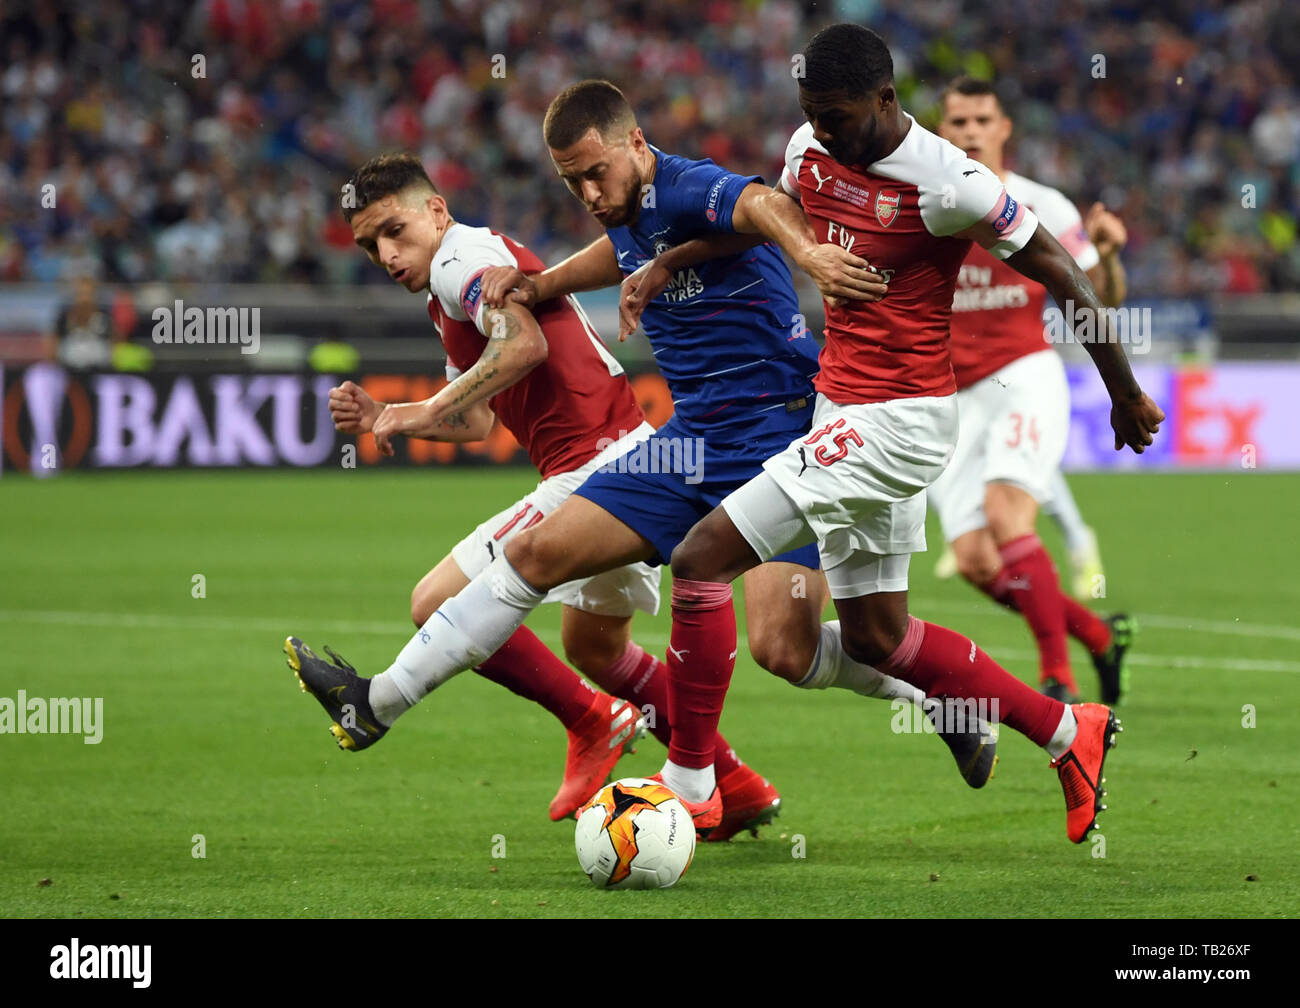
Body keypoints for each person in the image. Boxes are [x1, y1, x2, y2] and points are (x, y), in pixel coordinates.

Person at [286, 81, 998, 842]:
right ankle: (744, 768)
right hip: (692, 439)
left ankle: (604, 742)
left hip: (774, 434)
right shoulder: (620, 216)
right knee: (749, 647)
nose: (588, 192)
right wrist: (546, 284)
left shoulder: (472, 257)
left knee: (746, 624)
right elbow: (506, 390)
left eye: (392, 231)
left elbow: (758, 204)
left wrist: (811, 255)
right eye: (571, 181)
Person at [626, 24, 1163, 845]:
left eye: (839, 115)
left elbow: (1062, 269)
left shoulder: (951, 183)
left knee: (701, 558)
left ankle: (691, 786)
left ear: (885, 100)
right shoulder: (810, 146)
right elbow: (768, 219)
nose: (826, 130)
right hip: (840, 408)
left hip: (901, 420)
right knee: (879, 638)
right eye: (814, 114)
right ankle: (1069, 731)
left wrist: (1123, 392)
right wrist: (669, 262)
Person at [290, 151, 669, 822]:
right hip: (617, 460)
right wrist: (386, 416)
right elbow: (478, 419)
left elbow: (524, 347)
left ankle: (590, 721)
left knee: (435, 598)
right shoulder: (451, 287)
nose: (385, 252)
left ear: (437, 210)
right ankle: (730, 782)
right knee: (595, 649)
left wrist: (420, 411)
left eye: (394, 230)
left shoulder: (458, 260)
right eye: (370, 244)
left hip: (595, 469)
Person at [925, 76, 1137, 704]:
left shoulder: (1046, 205)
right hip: (949, 398)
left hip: (1024, 376)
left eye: (981, 120)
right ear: (943, 132)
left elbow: (1104, 300)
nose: (970, 132)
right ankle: (1097, 635)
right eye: (958, 122)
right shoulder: (924, 209)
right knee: (974, 561)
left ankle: (1058, 683)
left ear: (1003, 128)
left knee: (1005, 516)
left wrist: (1109, 256)